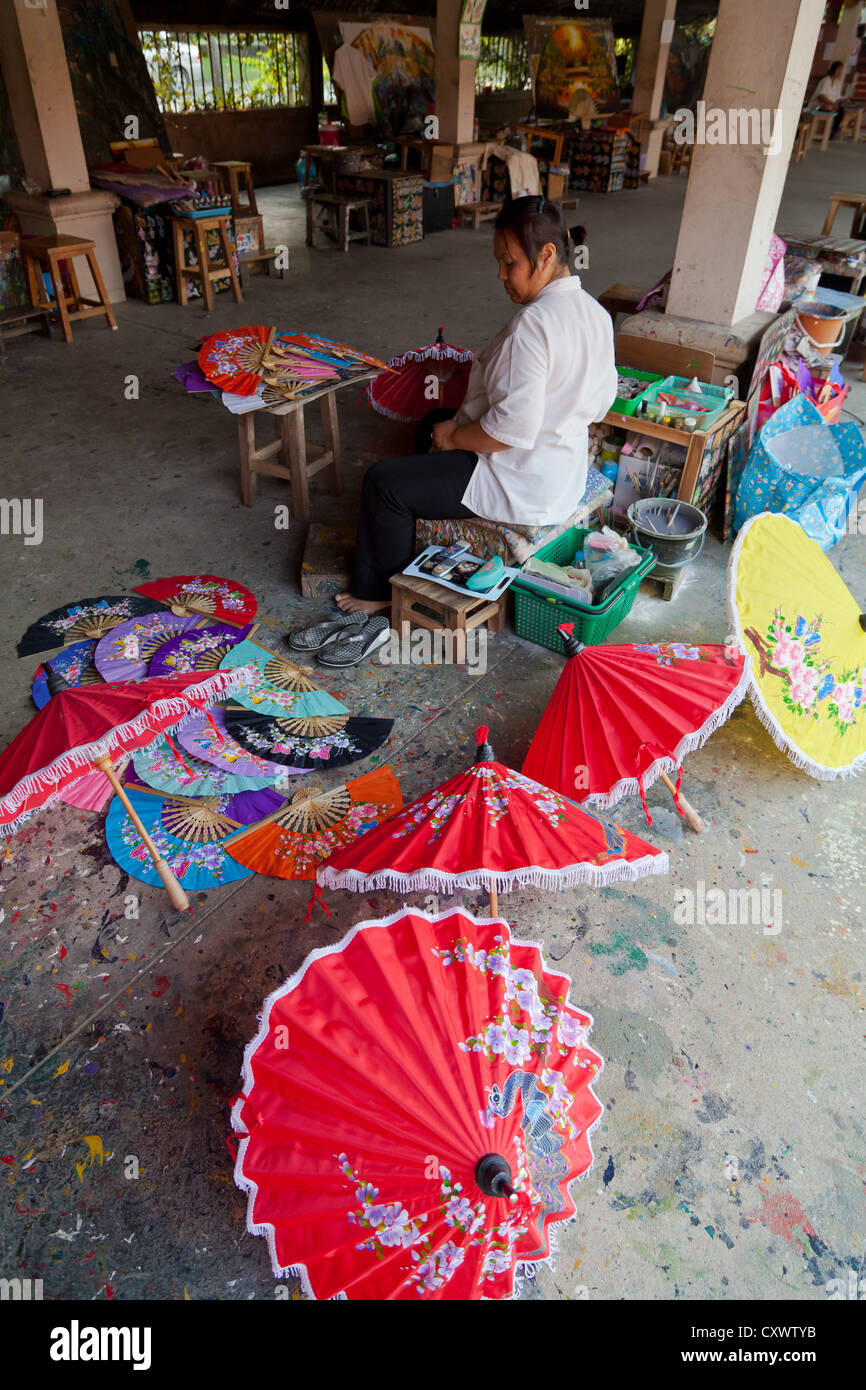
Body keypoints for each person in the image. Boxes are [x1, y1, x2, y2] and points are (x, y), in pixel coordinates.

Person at [335, 196, 617, 614]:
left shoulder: (533, 327)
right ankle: (416, 536)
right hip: (562, 470)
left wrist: (455, 437)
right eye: (499, 263)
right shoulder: (595, 314)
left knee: (384, 483)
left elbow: (510, 431)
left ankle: (377, 594)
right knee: (429, 421)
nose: (501, 275)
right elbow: (598, 406)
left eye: (510, 264)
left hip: (517, 477)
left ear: (547, 255)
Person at [813, 60, 847, 138]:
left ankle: (833, 132)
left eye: (841, 70)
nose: (840, 72)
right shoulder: (826, 80)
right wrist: (831, 103)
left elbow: (838, 97)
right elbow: (821, 95)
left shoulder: (838, 82)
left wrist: (836, 104)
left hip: (832, 105)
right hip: (820, 104)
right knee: (828, 109)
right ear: (834, 69)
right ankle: (823, 133)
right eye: (839, 69)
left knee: (841, 110)